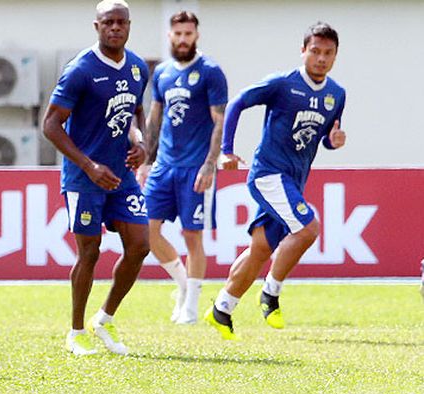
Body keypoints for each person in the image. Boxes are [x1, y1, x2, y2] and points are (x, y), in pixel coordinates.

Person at [205, 22, 346, 340]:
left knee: (260, 249)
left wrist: (332, 141)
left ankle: (222, 309)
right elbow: (238, 102)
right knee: (309, 229)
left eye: (328, 53)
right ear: (303, 51)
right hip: (269, 173)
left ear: (336, 55)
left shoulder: (336, 94)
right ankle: (270, 294)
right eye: (315, 51)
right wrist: (226, 151)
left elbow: (322, 138)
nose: (321, 58)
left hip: (294, 180)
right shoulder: (283, 84)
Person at [43, 0, 149, 356]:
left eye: (121, 23)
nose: (115, 28)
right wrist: (88, 165)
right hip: (84, 177)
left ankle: (104, 319)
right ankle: (75, 332)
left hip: (121, 175)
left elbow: (136, 111)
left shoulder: (137, 68)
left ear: (129, 26)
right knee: (90, 252)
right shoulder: (81, 70)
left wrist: (141, 142)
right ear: (97, 27)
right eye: (108, 23)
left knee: (140, 245)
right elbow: (50, 125)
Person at [137, 11, 235, 324]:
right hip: (164, 166)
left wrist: (210, 165)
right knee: (147, 232)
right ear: (169, 35)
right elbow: (155, 118)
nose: (183, 40)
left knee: (192, 236)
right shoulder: (163, 72)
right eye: (178, 34)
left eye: (188, 34)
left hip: (196, 167)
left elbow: (219, 121)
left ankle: (191, 309)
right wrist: (147, 161)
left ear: (197, 35)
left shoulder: (210, 72)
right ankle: (182, 283)